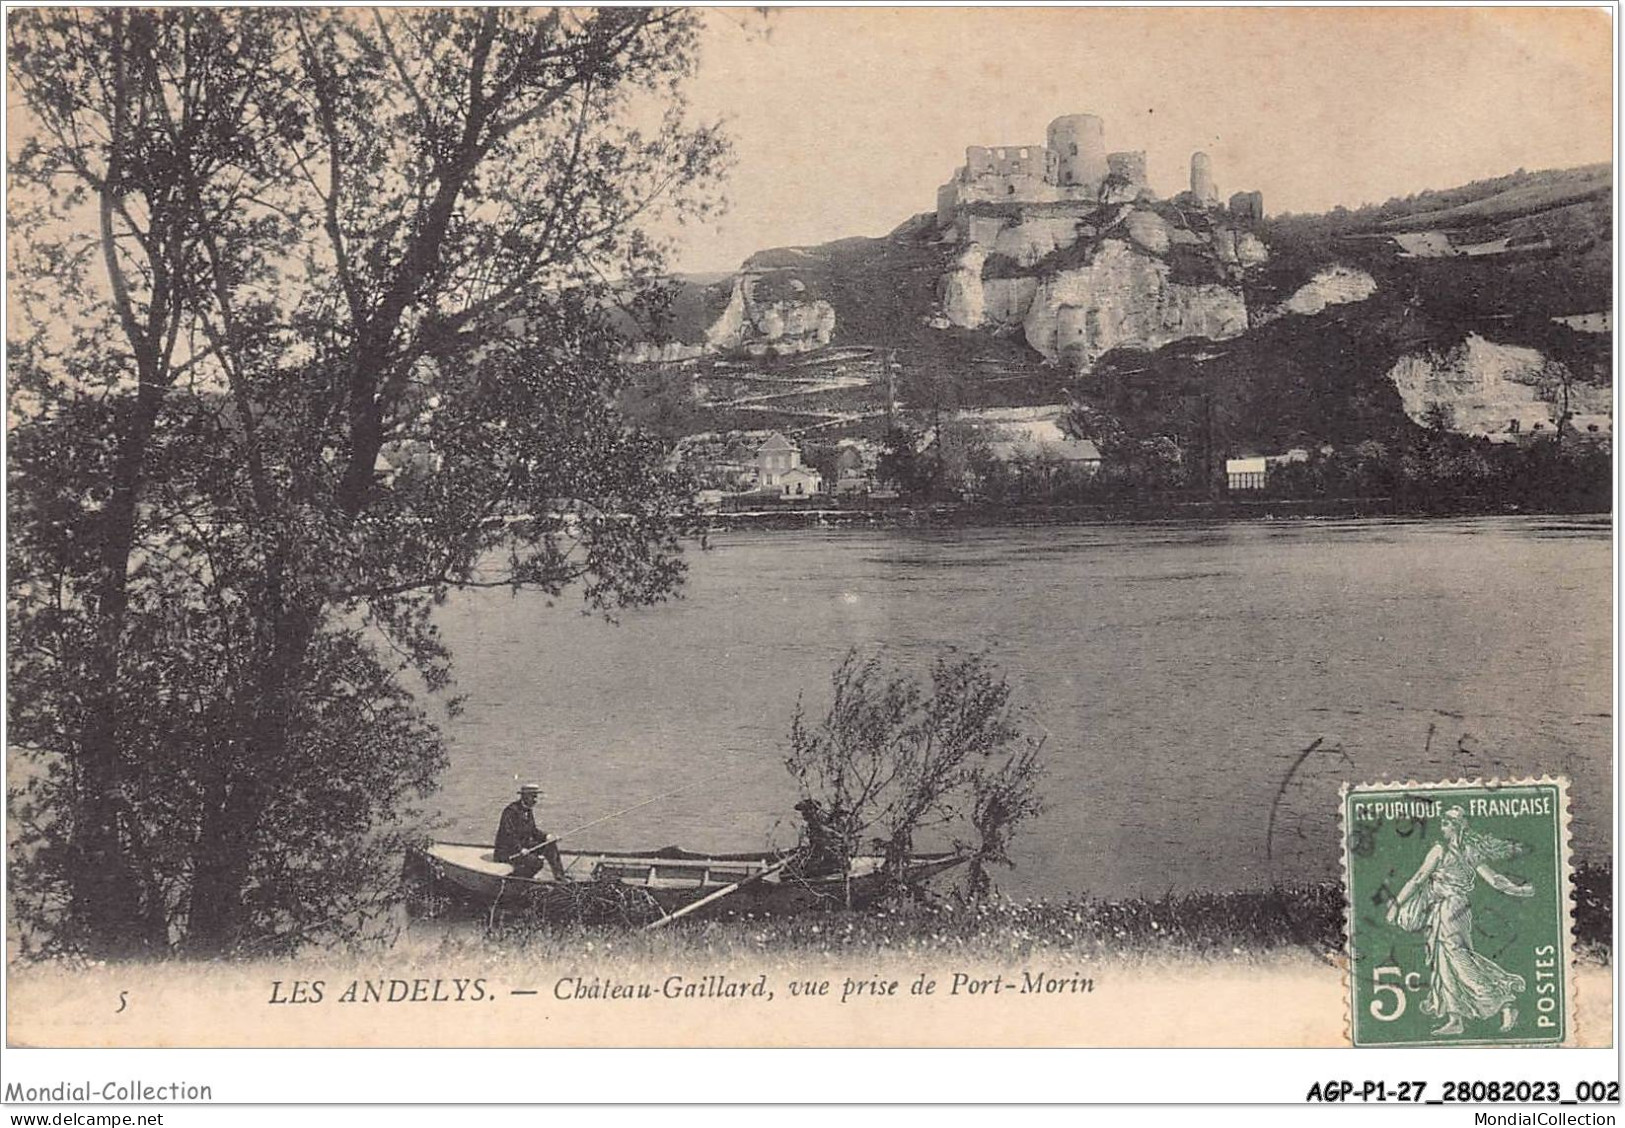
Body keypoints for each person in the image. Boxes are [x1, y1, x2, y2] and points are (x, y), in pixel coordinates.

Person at [1386, 806, 1534, 1036]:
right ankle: (1455, 1019)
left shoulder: (1441, 849)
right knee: (1444, 961)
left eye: (1445, 823)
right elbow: (1494, 879)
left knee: (1458, 960)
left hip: (1450, 908)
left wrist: (1396, 904)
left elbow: (1417, 879)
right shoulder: (1469, 849)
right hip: (1452, 908)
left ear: (1455, 826)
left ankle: (1504, 1001)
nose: (1442, 827)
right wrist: (1518, 890)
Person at [494, 783, 568, 880]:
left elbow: (533, 830)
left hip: (523, 847)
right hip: (508, 852)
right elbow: (508, 835)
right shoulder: (511, 811)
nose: (535, 800)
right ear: (525, 796)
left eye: (536, 797)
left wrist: (547, 837)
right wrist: (520, 849)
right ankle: (518, 880)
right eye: (533, 797)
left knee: (551, 845)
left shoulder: (528, 810)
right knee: (536, 862)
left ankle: (560, 878)